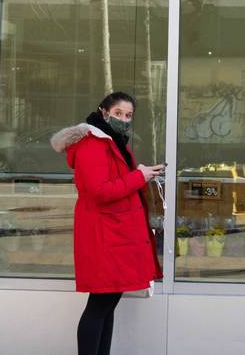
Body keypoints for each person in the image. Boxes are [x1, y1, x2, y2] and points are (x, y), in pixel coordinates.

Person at [50, 92, 164, 355]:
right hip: (105, 237)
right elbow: (98, 192)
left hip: (114, 236)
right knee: (100, 306)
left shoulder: (111, 142)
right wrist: (139, 176)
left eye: (128, 115)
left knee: (107, 303)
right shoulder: (93, 144)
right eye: (118, 114)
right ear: (103, 112)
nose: (124, 119)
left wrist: (141, 174)